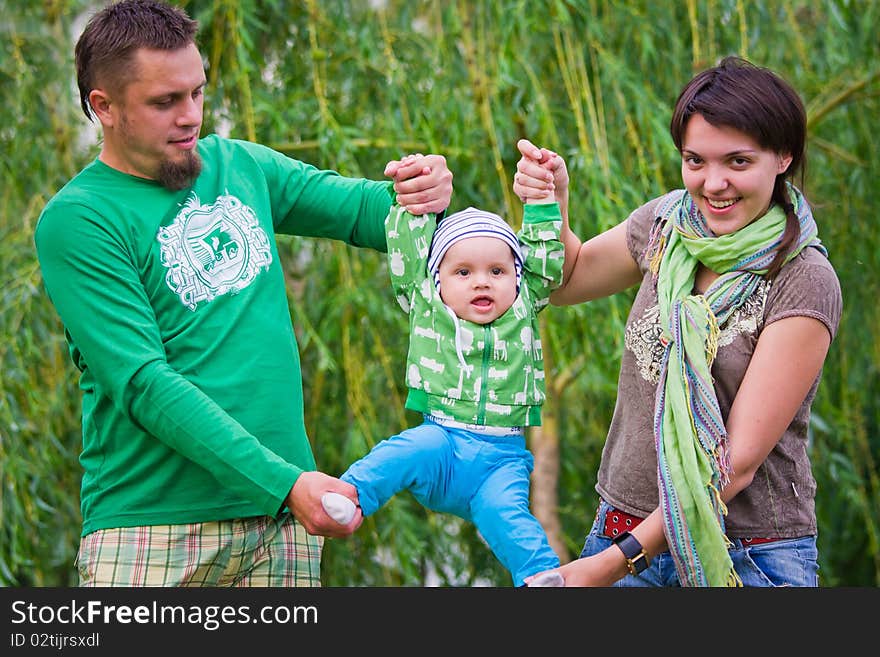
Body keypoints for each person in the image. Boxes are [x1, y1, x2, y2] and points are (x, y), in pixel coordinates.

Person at [33, 0, 453, 587]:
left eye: (198, 93)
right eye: (165, 102)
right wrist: (285, 482)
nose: (191, 117)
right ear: (103, 107)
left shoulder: (240, 166)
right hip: (154, 532)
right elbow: (142, 384)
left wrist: (422, 191)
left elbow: (369, 212)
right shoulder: (79, 219)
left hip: (281, 526)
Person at [514, 56, 841, 586]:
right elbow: (570, 280)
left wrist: (608, 564)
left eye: (737, 162)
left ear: (782, 157)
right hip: (620, 529)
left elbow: (734, 464)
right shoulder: (668, 224)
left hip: (746, 555)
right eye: (695, 161)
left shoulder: (803, 277)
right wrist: (554, 206)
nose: (713, 183)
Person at [321, 158, 566, 587]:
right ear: (437, 282)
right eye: (463, 272)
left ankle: (541, 575)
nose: (482, 282)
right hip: (443, 445)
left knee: (507, 515)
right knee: (400, 452)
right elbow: (410, 252)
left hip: (501, 460)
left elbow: (546, 260)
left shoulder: (525, 304)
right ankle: (352, 495)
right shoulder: (427, 304)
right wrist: (415, 200)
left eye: (497, 271)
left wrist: (541, 200)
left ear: (517, 278)